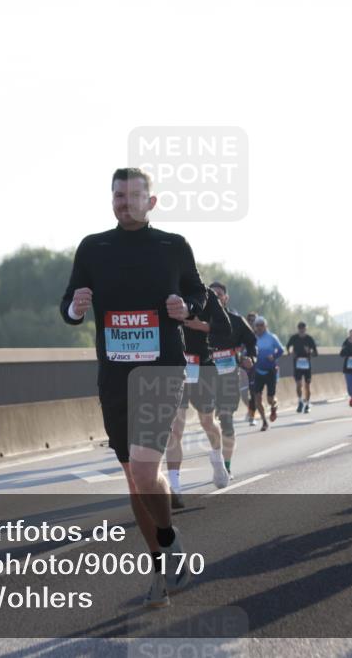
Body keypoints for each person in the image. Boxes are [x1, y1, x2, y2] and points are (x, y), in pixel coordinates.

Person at [60, 167, 205, 608]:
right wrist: (75, 306)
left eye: (134, 194)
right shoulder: (93, 247)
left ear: (151, 201)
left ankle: (168, 540)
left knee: (145, 470)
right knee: (133, 477)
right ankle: (161, 568)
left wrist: (185, 307)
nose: (126, 202)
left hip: (161, 368)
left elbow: (199, 297)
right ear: (112, 200)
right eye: (119, 195)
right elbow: (67, 307)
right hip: (115, 373)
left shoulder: (173, 246)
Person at [166, 287, 232, 507]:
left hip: (202, 366)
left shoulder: (205, 293)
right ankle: (175, 487)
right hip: (175, 367)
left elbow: (225, 328)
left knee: (207, 422)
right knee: (176, 428)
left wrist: (200, 326)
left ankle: (217, 458)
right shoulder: (163, 289)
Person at [208, 282, 257, 480]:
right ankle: (217, 457)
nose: (216, 297)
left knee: (226, 421)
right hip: (204, 379)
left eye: (219, 294)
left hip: (228, 377)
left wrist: (250, 358)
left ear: (226, 298)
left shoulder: (237, 321)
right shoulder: (197, 322)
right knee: (208, 422)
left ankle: (226, 467)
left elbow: (252, 343)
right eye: (212, 295)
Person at [251, 317, 284, 431]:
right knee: (257, 398)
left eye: (261, 325)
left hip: (270, 371)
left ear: (265, 326)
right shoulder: (253, 338)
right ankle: (264, 422)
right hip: (258, 371)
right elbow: (247, 351)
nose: (259, 327)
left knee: (270, 399)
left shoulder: (271, 337)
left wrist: (273, 356)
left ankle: (274, 407)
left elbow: (281, 350)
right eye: (257, 325)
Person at [286, 322, 319, 413]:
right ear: (298, 329)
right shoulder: (294, 338)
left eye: (303, 328)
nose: (301, 330)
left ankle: (307, 404)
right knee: (298, 384)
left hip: (307, 364)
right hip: (297, 363)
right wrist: (290, 352)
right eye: (300, 328)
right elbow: (288, 346)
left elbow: (316, 353)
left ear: (305, 329)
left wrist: (310, 352)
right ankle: (300, 401)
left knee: (307, 386)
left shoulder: (309, 339)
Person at [241, 311, 260, 425]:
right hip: (244, 366)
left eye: (254, 320)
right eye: (250, 320)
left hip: (256, 367)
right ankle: (250, 409)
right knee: (243, 393)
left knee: (254, 392)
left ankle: (252, 414)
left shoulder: (261, 334)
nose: (252, 322)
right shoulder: (242, 332)